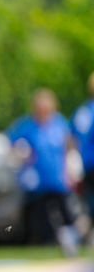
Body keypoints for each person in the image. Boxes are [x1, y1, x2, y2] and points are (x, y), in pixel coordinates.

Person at [8, 88, 81, 256]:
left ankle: (70, 245)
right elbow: (13, 142)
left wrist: (72, 166)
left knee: (66, 213)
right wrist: (20, 152)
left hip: (58, 179)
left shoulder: (59, 124)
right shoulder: (27, 126)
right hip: (37, 182)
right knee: (41, 217)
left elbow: (70, 145)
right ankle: (47, 246)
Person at [70, 71, 94, 239]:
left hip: (87, 163)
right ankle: (77, 234)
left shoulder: (83, 112)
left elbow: (73, 138)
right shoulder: (86, 112)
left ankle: (77, 234)